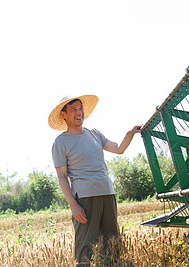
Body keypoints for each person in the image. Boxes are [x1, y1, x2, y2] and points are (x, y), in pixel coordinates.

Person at [48, 94, 142, 266]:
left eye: (81, 108)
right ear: (63, 114)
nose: (79, 112)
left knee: (113, 245)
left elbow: (119, 149)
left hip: (107, 192)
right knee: (86, 249)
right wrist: (74, 206)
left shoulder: (95, 134)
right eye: (74, 109)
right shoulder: (61, 142)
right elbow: (61, 177)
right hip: (85, 197)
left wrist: (130, 134)